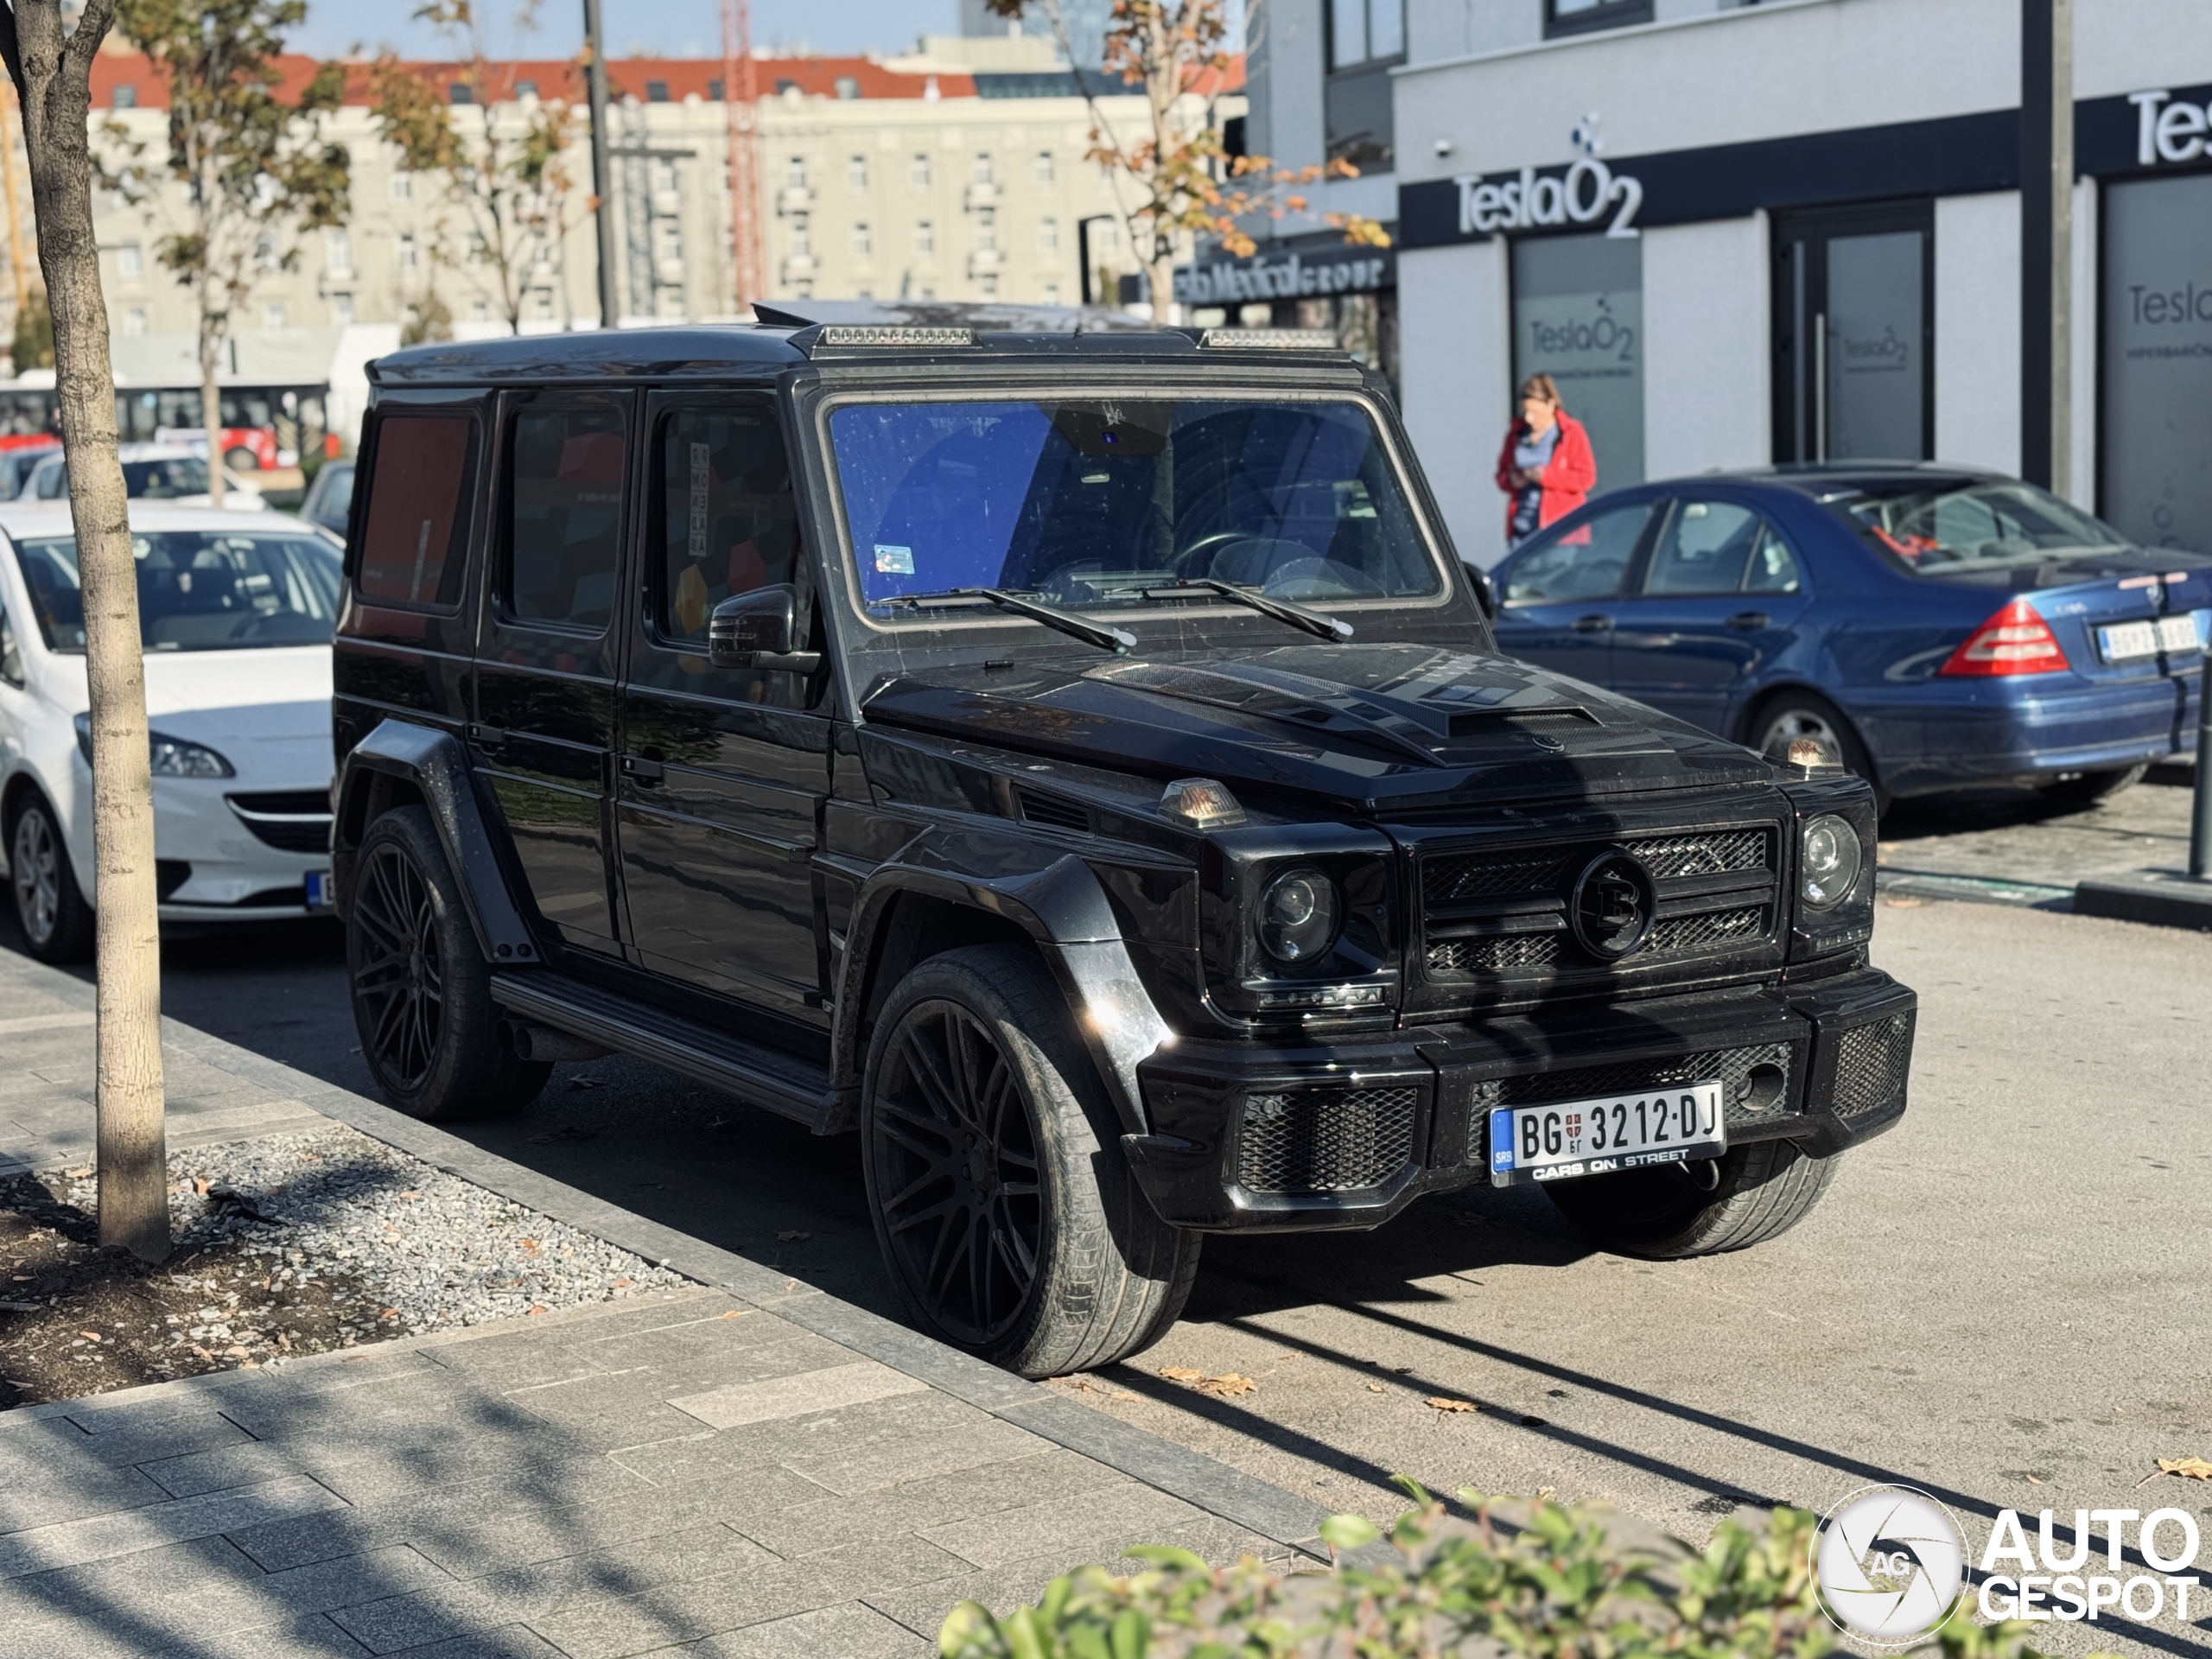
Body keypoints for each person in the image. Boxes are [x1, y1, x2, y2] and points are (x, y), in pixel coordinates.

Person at [1495, 374, 1596, 546]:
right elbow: (1501, 475)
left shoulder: (1570, 433)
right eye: (1525, 412)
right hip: (1522, 530)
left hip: (1561, 532)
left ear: (1550, 405)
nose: (1529, 419)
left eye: (1535, 413)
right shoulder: (1516, 434)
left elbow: (1586, 479)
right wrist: (1512, 480)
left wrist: (1545, 476)